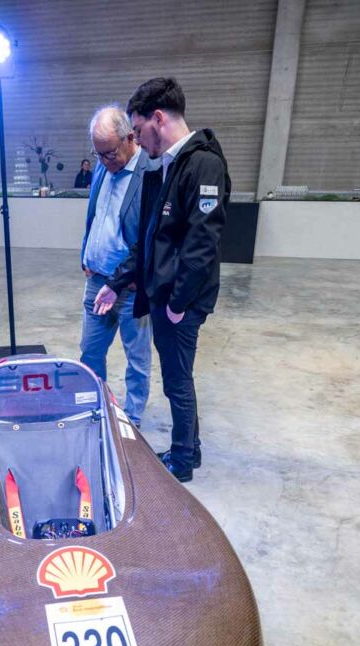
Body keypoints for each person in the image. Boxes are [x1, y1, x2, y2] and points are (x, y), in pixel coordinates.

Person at [94, 77, 231, 482]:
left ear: (158, 118)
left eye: (138, 130)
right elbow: (154, 237)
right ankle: (194, 448)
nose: (138, 139)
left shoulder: (203, 163)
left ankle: (183, 459)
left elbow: (201, 244)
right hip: (167, 296)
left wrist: (177, 303)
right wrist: (124, 283)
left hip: (181, 301)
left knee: (176, 380)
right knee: (179, 375)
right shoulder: (169, 164)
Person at [80, 107, 156, 427]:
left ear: (130, 138)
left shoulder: (150, 174)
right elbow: (95, 215)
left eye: (109, 153)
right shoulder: (102, 167)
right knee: (89, 354)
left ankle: (133, 418)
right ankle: (96, 408)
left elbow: (149, 240)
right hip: (97, 281)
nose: (104, 161)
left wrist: (123, 281)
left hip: (130, 288)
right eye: (98, 154)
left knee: (136, 359)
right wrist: (86, 252)